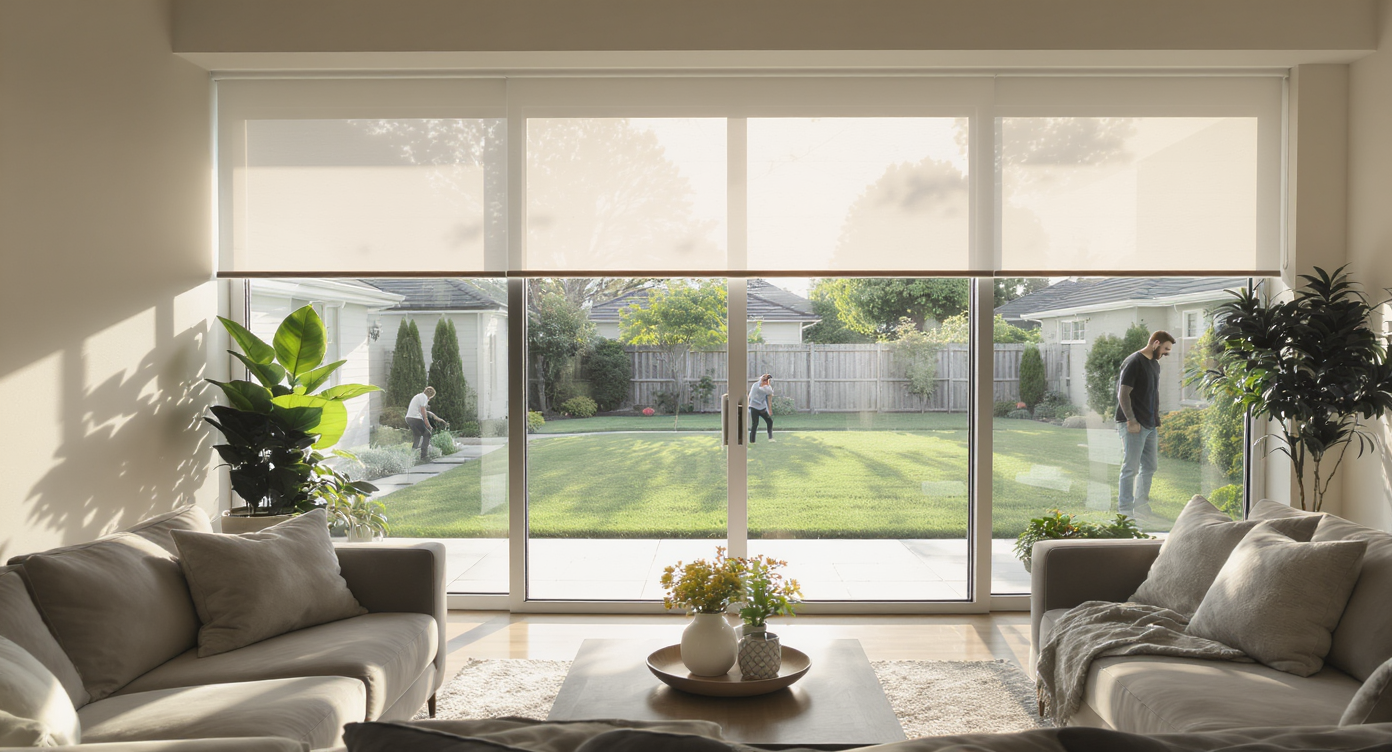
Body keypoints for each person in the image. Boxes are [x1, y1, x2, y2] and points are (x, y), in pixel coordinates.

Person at [1114, 330, 1176, 520]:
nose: (1166, 353)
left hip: (1149, 424)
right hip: (1133, 423)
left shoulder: (1154, 365)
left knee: (1150, 466)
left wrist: (1155, 420)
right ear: (1156, 343)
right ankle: (1125, 508)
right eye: (1165, 349)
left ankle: (1141, 506)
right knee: (1130, 468)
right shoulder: (1134, 362)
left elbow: (1152, 394)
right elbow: (1123, 394)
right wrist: (1131, 420)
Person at [405, 386, 448, 461]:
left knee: (417, 435)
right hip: (415, 418)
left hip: (408, 418)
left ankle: (412, 456)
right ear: (430, 395)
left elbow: (424, 411)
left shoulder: (418, 396)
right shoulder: (424, 397)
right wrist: (428, 424)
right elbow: (423, 411)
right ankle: (424, 456)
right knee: (427, 434)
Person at [748, 373, 775, 444]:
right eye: (764, 379)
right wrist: (762, 380)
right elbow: (751, 396)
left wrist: (770, 410)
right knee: (755, 423)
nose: (765, 381)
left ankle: (770, 438)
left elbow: (769, 395)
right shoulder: (755, 386)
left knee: (769, 421)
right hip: (754, 407)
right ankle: (752, 441)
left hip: (762, 408)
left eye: (767, 380)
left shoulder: (767, 388)